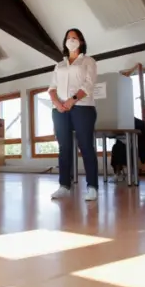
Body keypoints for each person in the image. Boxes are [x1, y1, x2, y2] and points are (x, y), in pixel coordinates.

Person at [48, 28, 99, 201]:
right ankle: (64, 185)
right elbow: (52, 87)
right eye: (68, 38)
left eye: (74, 37)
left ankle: (92, 186)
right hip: (60, 110)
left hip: (82, 108)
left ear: (81, 41)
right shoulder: (59, 65)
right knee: (64, 148)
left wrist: (73, 99)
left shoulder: (88, 61)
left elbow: (89, 85)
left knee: (85, 146)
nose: (71, 40)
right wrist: (57, 103)